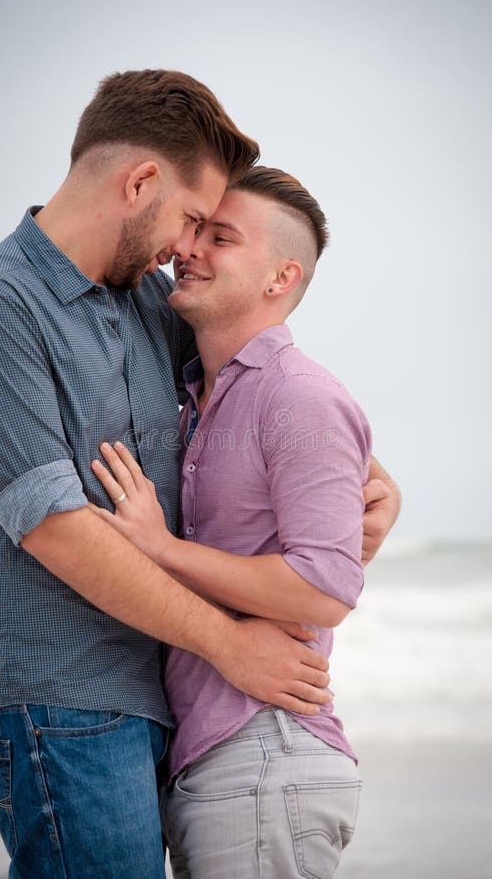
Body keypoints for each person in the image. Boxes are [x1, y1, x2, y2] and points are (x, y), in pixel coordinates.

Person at [0, 72, 400, 876]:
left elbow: (274, 402)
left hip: (160, 702)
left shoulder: (153, 303)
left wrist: (375, 483)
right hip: (63, 697)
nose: (186, 246)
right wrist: (231, 647)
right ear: (140, 182)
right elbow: (58, 529)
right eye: (192, 219)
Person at [86, 166, 395, 877]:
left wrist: (161, 549)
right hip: (217, 758)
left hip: (266, 753)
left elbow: (323, 588)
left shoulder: (301, 395)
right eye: (193, 229)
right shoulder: (199, 400)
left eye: (219, 237)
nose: (188, 248)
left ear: (278, 277)